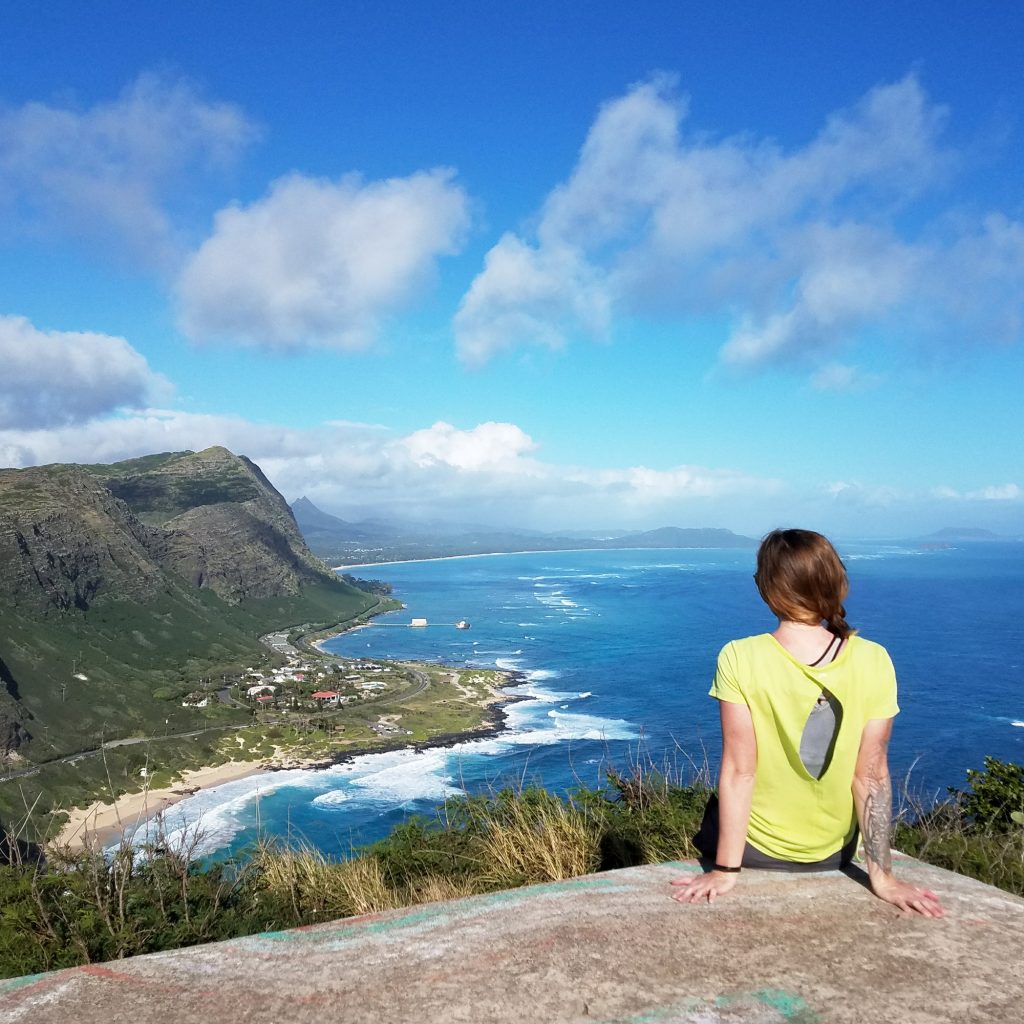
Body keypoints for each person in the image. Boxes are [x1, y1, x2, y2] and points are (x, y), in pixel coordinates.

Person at [670, 528, 943, 916]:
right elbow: (871, 776)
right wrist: (883, 878)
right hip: (834, 852)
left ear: (766, 588)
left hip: (754, 850)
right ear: (836, 583)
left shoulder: (739, 657)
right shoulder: (874, 659)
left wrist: (725, 870)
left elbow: (739, 771)